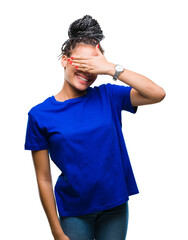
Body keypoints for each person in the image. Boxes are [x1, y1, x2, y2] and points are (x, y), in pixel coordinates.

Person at [24, 15, 166, 240]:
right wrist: (56, 231)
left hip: (115, 205)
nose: (87, 72)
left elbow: (157, 94)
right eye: (80, 63)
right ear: (64, 60)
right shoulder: (40, 115)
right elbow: (43, 178)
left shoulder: (109, 95)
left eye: (93, 66)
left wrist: (111, 68)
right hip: (74, 212)